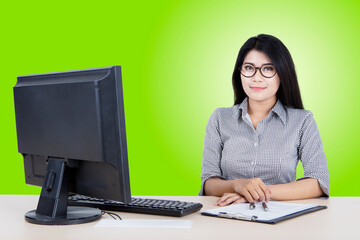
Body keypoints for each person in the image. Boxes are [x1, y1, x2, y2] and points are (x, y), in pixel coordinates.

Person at [200, 34, 329, 206]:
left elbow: (318, 182)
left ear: (282, 73)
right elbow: (208, 183)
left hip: (282, 218)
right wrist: (237, 185)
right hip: (227, 216)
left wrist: (257, 193)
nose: (257, 77)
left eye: (268, 69)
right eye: (249, 68)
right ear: (240, 72)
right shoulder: (220, 119)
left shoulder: (303, 121)